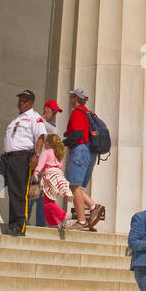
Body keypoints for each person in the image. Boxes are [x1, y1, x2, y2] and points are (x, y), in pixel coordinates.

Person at [0, 91, 46, 235]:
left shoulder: (34, 117)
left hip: (22, 158)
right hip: (7, 158)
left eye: (25, 101)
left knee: (17, 192)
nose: (21, 103)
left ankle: (18, 225)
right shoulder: (16, 118)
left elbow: (41, 136)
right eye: (20, 100)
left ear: (31, 103)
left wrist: (36, 155)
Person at [35, 134, 104, 230]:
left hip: (49, 178)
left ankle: (63, 216)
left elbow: (40, 164)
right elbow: (60, 167)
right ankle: (53, 223)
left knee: (47, 203)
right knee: (48, 203)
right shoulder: (57, 153)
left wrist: (36, 173)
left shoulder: (46, 152)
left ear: (47, 143)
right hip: (58, 178)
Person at [64, 89, 97, 221]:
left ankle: (82, 220)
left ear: (75, 98)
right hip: (91, 152)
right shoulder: (89, 113)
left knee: (74, 186)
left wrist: (63, 143)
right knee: (78, 186)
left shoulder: (77, 112)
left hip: (80, 150)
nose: (70, 100)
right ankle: (93, 207)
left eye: (72, 97)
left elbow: (77, 133)